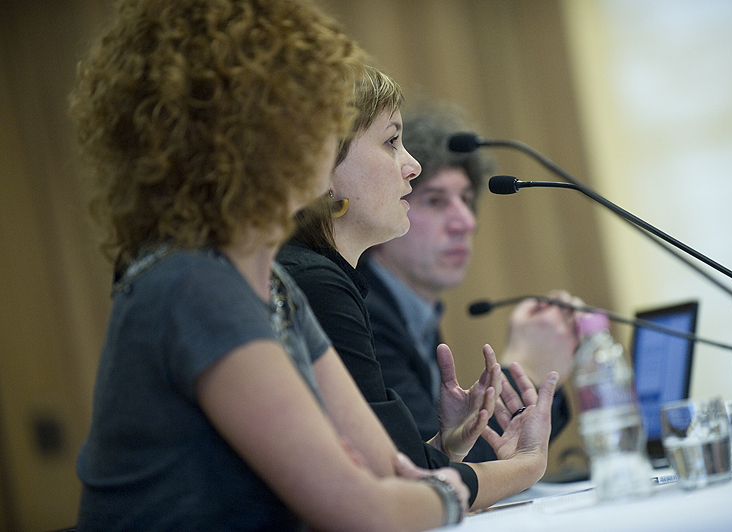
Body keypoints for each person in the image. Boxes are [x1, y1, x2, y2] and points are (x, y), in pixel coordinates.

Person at [69, 1, 489, 530]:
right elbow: (368, 510)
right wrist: (451, 490)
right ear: (251, 134)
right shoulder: (192, 285)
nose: (331, 128)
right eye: (316, 109)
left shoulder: (274, 284)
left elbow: (390, 475)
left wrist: (427, 483)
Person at [278, 66, 561, 511]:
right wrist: (525, 464)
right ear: (322, 166)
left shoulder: (324, 276)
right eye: (391, 142)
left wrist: (444, 448)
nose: (412, 166)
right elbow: (404, 486)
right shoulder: (316, 284)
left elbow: (395, 464)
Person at [360, 100, 582, 462]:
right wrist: (526, 373)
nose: (466, 222)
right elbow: (433, 467)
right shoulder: (365, 313)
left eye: (465, 199)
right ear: (386, 205)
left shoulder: (415, 312)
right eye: (436, 201)